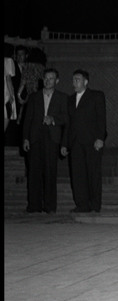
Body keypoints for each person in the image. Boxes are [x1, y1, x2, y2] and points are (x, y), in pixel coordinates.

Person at [21, 67, 69, 213]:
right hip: (35, 138)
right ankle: (34, 206)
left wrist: (53, 119)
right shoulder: (34, 97)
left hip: (52, 139)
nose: (47, 81)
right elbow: (27, 119)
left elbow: (66, 118)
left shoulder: (63, 97)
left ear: (57, 81)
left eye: (51, 78)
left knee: (50, 172)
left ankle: (49, 207)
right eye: (46, 78)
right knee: (34, 173)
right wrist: (25, 138)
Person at [60, 69, 107, 213]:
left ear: (85, 82)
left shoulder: (96, 96)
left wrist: (100, 138)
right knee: (78, 175)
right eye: (73, 79)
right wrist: (64, 143)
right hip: (75, 143)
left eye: (77, 79)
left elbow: (101, 118)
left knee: (93, 174)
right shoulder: (70, 99)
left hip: (92, 142)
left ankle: (95, 205)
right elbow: (68, 124)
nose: (74, 82)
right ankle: (82, 205)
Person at [4, 44, 17, 134]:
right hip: (6, 92)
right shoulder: (8, 60)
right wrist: (12, 94)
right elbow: (8, 79)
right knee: (7, 114)